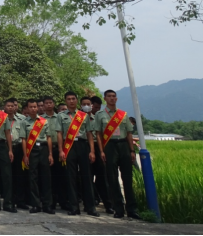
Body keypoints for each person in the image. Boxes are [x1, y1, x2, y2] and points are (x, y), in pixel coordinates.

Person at [94, 90, 141, 220]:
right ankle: (118, 208)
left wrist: (132, 151)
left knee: (127, 179)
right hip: (109, 146)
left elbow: (129, 134)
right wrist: (101, 151)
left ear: (116, 99)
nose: (112, 98)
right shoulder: (100, 115)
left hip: (123, 145)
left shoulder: (123, 115)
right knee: (113, 179)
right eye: (109, 96)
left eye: (114, 96)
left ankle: (132, 209)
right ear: (105, 98)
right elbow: (98, 134)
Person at [57, 93, 99, 217]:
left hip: (83, 145)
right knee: (71, 177)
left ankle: (90, 207)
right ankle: (74, 207)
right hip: (68, 146)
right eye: (68, 99)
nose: (71, 101)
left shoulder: (83, 115)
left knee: (87, 177)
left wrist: (92, 151)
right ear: (65, 101)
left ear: (77, 101)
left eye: (73, 99)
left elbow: (89, 133)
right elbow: (59, 134)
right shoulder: (61, 116)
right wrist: (61, 150)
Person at [22, 99, 54, 214]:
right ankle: (35, 205)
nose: (33, 109)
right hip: (32, 150)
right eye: (31, 107)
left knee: (46, 177)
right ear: (27, 108)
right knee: (33, 178)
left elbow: (49, 137)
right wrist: (25, 155)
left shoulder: (44, 121)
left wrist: (50, 154)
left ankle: (47, 205)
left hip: (44, 149)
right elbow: (24, 139)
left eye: (35, 106)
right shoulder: (24, 122)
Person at [42, 96, 66, 211]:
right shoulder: (40, 119)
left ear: (54, 104)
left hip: (59, 148)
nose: (48, 105)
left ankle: (63, 201)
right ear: (43, 105)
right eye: (46, 103)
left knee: (61, 176)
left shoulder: (60, 117)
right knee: (48, 177)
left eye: (50, 102)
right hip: (46, 149)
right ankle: (50, 202)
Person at [89, 95, 112, 213]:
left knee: (102, 176)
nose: (97, 109)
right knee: (88, 176)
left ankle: (108, 204)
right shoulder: (81, 117)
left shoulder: (102, 116)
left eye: (99, 107)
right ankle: (92, 200)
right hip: (86, 146)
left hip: (99, 147)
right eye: (95, 107)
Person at [6, 98, 28, 210]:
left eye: (14, 105)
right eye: (10, 105)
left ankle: (20, 200)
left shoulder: (22, 119)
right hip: (6, 148)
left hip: (19, 148)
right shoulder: (1, 119)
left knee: (20, 175)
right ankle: (9, 200)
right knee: (8, 176)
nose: (12, 107)